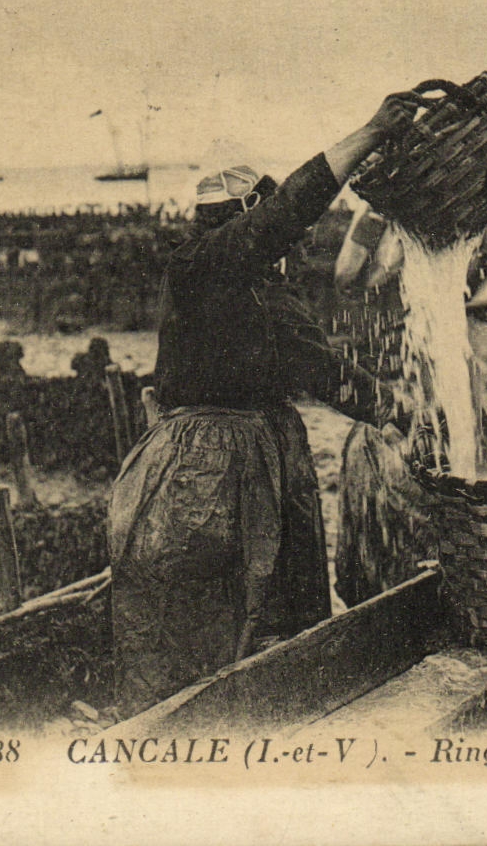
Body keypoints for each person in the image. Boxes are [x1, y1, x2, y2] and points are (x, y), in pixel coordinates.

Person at [108, 87, 426, 716]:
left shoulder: (261, 293)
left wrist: (394, 408)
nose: (282, 241)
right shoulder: (199, 263)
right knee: (205, 613)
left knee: (277, 609)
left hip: (264, 462)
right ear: (245, 211)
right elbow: (286, 214)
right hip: (204, 469)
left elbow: (321, 368)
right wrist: (368, 133)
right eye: (265, 220)